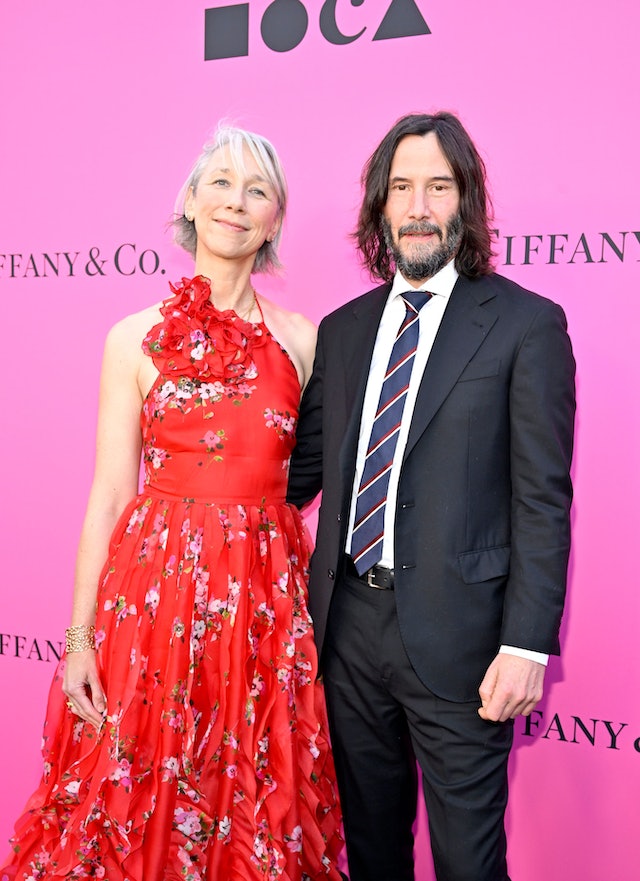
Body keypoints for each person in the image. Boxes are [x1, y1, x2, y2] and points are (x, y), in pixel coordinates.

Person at [1, 125, 342, 881]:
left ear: (274, 220)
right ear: (190, 201)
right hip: (154, 605)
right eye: (219, 182)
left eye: (257, 190)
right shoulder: (132, 338)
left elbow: (316, 475)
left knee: (251, 795)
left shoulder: (305, 341)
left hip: (262, 603)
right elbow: (110, 492)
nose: (235, 201)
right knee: (133, 797)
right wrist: (80, 638)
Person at [287, 111, 576, 881]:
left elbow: (543, 499)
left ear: (466, 200)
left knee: (468, 863)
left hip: (466, 643)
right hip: (348, 634)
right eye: (402, 188)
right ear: (380, 204)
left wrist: (526, 644)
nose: (419, 207)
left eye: (439, 187)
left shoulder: (525, 325)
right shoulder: (343, 331)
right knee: (372, 850)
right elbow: (296, 472)